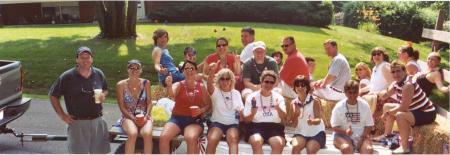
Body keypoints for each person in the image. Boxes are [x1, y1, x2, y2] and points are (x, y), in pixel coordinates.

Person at [49, 46, 110, 153]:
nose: (85, 60)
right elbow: (53, 95)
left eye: (88, 57)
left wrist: (103, 95)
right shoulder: (67, 76)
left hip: (98, 121)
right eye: (82, 57)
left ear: (92, 59)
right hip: (78, 123)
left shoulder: (98, 73)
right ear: (77, 60)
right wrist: (62, 115)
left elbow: (105, 89)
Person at [376, 61, 436, 154]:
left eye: (398, 71)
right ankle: (386, 135)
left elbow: (403, 107)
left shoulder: (408, 85)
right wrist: (380, 93)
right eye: (393, 72)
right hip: (414, 109)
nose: (395, 74)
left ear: (404, 71)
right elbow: (385, 95)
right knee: (387, 106)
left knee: (400, 115)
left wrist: (386, 114)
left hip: (426, 113)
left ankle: (405, 147)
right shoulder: (397, 83)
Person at [159, 60, 210, 154]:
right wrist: (169, 86)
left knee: (190, 137)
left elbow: (209, 105)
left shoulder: (201, 87)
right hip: (177, 119)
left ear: (196, 71)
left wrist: (201, 110)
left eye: (192, 68)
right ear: (182, 71)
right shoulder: (178, 85)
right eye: (186, 68)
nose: (189, 70)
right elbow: (171, 94)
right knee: (164, 137)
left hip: (194, 121)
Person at [243, 70, 287, 154]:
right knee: (256, 141)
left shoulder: (279, 97)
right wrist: (252, 113)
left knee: (278, 143)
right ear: (261, 81)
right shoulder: (252, 97)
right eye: (266, 81)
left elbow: (284, 117)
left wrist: (278, 108)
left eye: (271, 82)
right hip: (256, 126)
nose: (269, 84)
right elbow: (246, 120)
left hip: (275, 127)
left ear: (274, 84)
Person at [116, 60, 153, 154]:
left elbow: (149, 102)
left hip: (144, 115)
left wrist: (146, 115)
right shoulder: (120, 85)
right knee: (133, 133)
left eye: (137, 68)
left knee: (147, 134)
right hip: (128, 116)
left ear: (141, 70)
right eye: (131, 68)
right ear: (127, 70)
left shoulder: (146, 83)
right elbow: (122, 107)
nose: (134, 70)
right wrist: (133, 118)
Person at [205, 67, 244, 154]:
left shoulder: (236, 93)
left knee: (233, 139)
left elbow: (241, 110)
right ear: (219, 80)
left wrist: (242, 115)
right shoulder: (215, 91)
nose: (225, 81)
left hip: (232, 123)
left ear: (231, 80)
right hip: (217, 123)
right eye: (222, 79)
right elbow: (209, 85)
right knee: (212, 139)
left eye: (227, 79)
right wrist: (211, 71)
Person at [331, 80, 374, 154]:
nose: (353, 95)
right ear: (345, 92)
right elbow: (334, 127)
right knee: (346, 148)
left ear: (358, 92)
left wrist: (362, 137)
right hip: (342, 135)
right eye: (350, 92)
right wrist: (345, 132)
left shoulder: (364, 105)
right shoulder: (339, 107)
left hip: (361, 135)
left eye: (355, 92)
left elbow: (369, 125)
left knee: (368, 149)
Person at [290, 75, 326, 154]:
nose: (300, 87)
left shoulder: (315, 101)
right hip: (301, 133)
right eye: (297, 85)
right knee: (295, 147)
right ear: (294, 88)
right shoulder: (293, 103)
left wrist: (312, 121)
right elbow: (293, 125)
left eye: (303, 85)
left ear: (307, 87)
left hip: (316, 133)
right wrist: (295, 115)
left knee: (311, 149)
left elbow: (318, 119)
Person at [279, 36, 310, 102]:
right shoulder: (297, 54)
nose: (284, 48)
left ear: (294, 45)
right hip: (302, 91)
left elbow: (279, 77)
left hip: (295, 93)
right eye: (282, 46)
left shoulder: (293, 58)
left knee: (270, 84)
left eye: (286, 45)